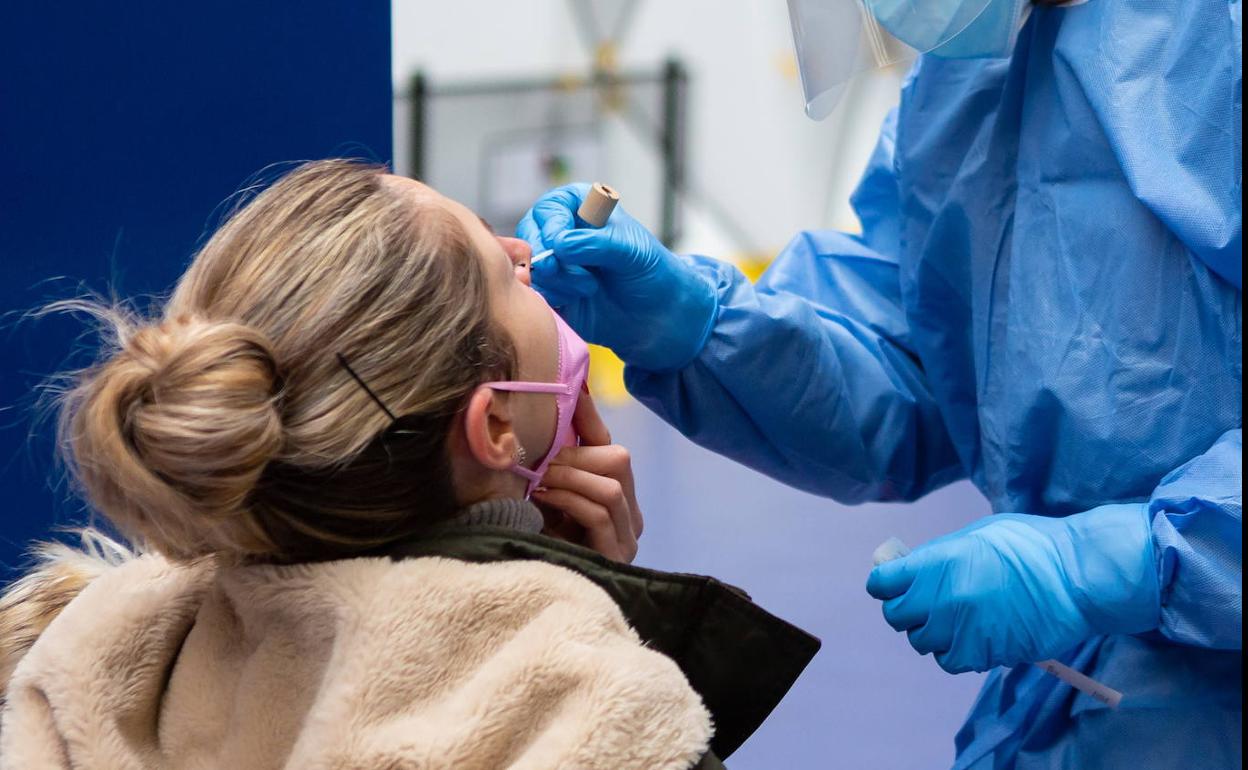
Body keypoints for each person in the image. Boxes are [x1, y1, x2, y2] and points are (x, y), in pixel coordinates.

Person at [517, 0, 1241, 767]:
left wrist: (1123, 562)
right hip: (1078, 723)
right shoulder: (974, 68)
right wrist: (693, 324)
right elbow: (916, 355)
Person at [0, 161, 818, 769]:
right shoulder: (587, 707)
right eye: (506, 274)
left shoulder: (94, 663)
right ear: (496, 423)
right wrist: (594, 614)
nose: (522, 255)